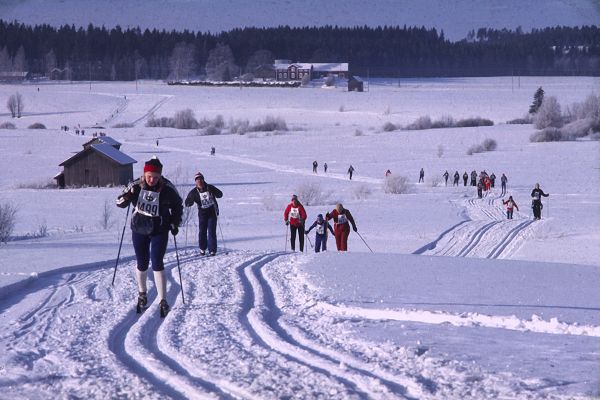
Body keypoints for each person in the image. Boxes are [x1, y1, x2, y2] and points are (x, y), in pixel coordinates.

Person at [116, 157, 183, 318]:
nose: (152, 179)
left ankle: (163, 300)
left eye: (155, 176)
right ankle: (142, 293)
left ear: (160, 176)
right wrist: (128, 196)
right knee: (142, 263)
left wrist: (175, 223)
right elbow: (119, 202)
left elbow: (178, 205)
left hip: (160, 229)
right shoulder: (136, 185)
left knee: (157, 263)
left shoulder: (167, 188)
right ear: (144, 174)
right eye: (149, 176)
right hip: (139, 229)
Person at [185, 172, 223, 256]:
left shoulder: (210, 187)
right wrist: (189, 202)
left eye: (201, 180)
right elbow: (187, 202)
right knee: (202, 231)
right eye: (197, 181)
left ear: (203, 180)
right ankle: (202, 248)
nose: (199, 182)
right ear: (195, 182)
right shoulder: (194, 192)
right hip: (202, 213)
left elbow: (220, 194)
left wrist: (214, 193)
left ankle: (212, 250)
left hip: (212, 212)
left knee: (211, 231)